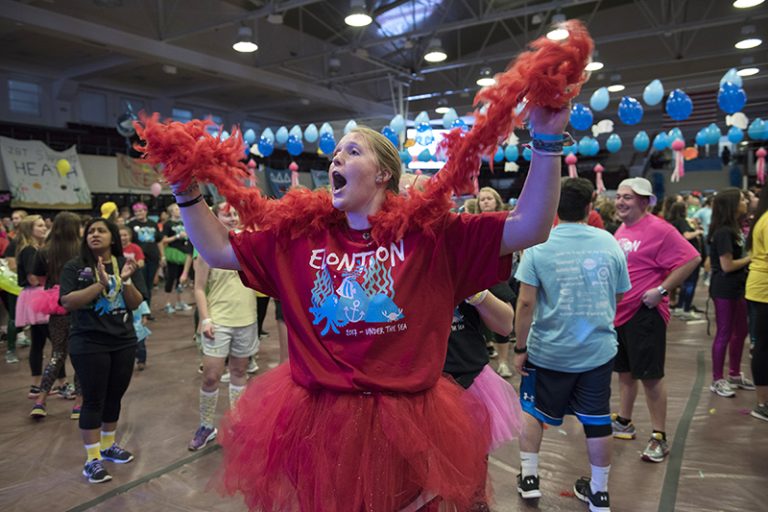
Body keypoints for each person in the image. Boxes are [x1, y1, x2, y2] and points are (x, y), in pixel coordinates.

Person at [139, 103, 568, 509]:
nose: (335, 160)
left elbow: (531, 226)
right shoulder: (299, 238)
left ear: (384, 173)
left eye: (352, 151)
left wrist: (547, 140)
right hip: (321, 420)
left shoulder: (431, 236)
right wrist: (184, 187)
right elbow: (216, 250)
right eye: (335, 154)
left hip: (409, 422)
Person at [513, 178, 631, 511]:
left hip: (548, 350)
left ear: (552, 206)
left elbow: (525, 304)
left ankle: (530, 477)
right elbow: (619, 293)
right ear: (590, 206)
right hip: (597, 351)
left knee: (532, 410)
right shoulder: (609, 243)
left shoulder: (539, 245)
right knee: (596, 420)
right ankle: (599, 492)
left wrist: (520, 349)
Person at [612, 178, 701, 463]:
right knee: (625, 373)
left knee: (650, 378)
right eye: (619, 196)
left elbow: (692, 258)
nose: (621, 202)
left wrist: (662, 290)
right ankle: (624, 421)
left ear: (644, 201)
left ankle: (659, 437)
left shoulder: (661, 229)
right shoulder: (622, 229)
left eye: (628, 198)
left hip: (645, 314)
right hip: (620, 313)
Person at [60, 217, 146, 484]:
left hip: (122, 341)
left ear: (112, 237)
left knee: (114, 396)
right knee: (94, 399)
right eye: (90, 231)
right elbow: (67, 301)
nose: (94, 235)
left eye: (101, 230)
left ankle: (108, 446)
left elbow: (135, 303)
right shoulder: (75, 266)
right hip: (89, 342)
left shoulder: (125, 263)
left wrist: (127, 281)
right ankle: (92, 460)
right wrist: (99, 283)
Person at [188, 201, 260, 452]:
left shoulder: (250, 244)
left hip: (247, 319)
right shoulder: (206, 247)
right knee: (211, 376)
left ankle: (237, 424)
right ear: (216, 217)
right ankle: (206, 426)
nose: (231, 218)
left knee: (240, 374)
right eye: (225, 214)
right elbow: (198, 287)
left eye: (235, 214)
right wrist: (205, 318)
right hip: (217, 321)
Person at [29, 212, 83, 419]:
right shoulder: (82, 251)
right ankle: (79, 402)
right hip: (80, 303)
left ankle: (40, 400)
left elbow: (39, 278)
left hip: (56, 302)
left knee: (57, 354)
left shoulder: (44, 251)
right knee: (80, 354)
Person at [707, 188, 754, 397]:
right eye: (742, 199)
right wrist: (753, 258)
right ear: (732, 205)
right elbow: (727, 265)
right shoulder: (724, 232)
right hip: (724, 288)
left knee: (741, 331)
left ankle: (734, 374)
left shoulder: (735, 229)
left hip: (738, 287)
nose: (746, 201)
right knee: (724, 332)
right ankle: (717, 379)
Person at [476, 186, 514, 377]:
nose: (485, 202)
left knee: (502, 319)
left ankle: (503, 362)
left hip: (499, 276)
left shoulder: (507, 220)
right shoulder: (473, 223)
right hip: (478, 275)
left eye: (489, 198)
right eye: (482, 199)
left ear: (496, 200)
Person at [746, 186, 768, 421]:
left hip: (759, 287)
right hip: (764, 290)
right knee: (762, 347)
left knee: (762, 345)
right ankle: (763, 403)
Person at [665, 202, 704, 321]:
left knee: (686, 283)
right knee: (690, 283)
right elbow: (686, 235)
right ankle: (685, 308)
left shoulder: (671, 222)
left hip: (679, 257)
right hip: (689, 258)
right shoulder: (682, 222)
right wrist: (698, 232)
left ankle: (681, 307)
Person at [127, 202, 163, 315]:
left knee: (149, 284)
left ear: (146, 211)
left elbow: (159, 241)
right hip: (138, 258)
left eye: (141, 211)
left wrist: (163, 256)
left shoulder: (153, 223)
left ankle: (147, 310)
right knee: (139, 283)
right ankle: (138, 311)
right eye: (136, 211)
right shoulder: (131, 225)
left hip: (153, 257)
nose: (139, 213)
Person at [160, 203, 193, 314]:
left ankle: (179, 302)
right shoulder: (168, 224)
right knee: (171, 278)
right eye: (176, 209)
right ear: (171, 212)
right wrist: (177, 236)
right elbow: (164, 240)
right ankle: (167, 303)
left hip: (184, 253)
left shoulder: (185, 222)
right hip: (173, 253)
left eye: (179, 209)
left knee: (182, 278)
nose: (179, 211)